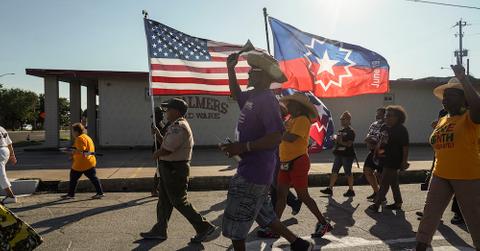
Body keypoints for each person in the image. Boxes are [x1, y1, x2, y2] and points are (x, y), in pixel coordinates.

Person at [221, 49, 313, 251]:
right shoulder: (255, 96)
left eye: (253, 70)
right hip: (255, 168)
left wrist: (242, 147)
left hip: (254, 172)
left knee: (236, 226)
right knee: (266, 215)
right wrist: (230, 70)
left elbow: (276, 136)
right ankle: (298, 243)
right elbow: (236, 93)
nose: (249, 73)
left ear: (264, 75)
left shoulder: (267, 100)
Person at [416, 64, 480, 250]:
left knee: (475, 220)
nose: (445, 100)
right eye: (444, 96)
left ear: (464, 99)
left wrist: (463, 79)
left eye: (450, 95)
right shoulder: (443, 120)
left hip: (468, 175)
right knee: (429, 216)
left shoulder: (470, 117)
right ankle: (420, 247)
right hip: (441, 174)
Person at [141, 98, 215, 243]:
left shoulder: (178, 126)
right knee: (164, 201)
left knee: (179, 201)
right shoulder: (175, 125)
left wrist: (157, 154)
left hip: (174, 169)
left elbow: (168, 149)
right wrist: (158, 134)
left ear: (176, 111)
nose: (166, 112)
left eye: (168, 109)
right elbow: (168, 144)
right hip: (170, 168)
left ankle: (204, 227)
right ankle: (160, 230)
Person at [276, 93, 332, 237]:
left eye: (290, 104)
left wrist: (276, 131)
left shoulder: (302, 120)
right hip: (286, 161)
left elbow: (290, 137)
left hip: (298, 161)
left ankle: (323, 222)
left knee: (303, 196)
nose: (287, 106)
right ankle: (275, 225)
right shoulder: (291, 120)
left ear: (298, 107)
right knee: (281, 194)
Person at [257, 103, 302, 239]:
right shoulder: (278, 124)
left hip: (279, 158)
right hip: (274, 158)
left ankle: (274, 224)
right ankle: (275, 221)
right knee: (275, 188)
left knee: (276, 187)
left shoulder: (281, 125)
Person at [368, 106, 409, 212]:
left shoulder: (401, 129)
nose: (386, 117)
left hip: (394, 159)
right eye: (386, 115)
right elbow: (381, 142)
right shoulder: (384, 127)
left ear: (397, 117)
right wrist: (376, 152)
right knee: (393, 182)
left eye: (389, 115)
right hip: (384, 158)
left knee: (384, 182)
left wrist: (404, 161)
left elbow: (405, 146)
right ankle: (398, 202)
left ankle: (376, 205)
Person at [61, 123, 104, 200]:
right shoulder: (86, 137)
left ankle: (71, 194)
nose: (72, 133)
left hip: (81, 164)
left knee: (73, 177)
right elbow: (78, 148)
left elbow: (81, 150)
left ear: (76, 131)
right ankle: (100, 193)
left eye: (73, 131)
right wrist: (71, 152)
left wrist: (70, 152)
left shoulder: (79, 138)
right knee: (93, 178)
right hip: (90, 162)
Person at [321, 111, 356, 197]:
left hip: (347, 155)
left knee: (348, 172)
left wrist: (340, 141)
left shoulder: (351, 131)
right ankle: (330, 188)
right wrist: (335, 141)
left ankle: (351, 190)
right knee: (334, 171)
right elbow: (338, 142)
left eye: (343, 119)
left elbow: (349, 144)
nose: (341, 121)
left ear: (348, 120)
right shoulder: (340, 130)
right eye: (341, 119)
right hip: (339, 154)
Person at [363, 108, 386, 201]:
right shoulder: (374, 124)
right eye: (376, 114)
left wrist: (374, 141)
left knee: (380, 175)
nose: (377, 116)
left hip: (382, 152)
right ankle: (376, 192)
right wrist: (368, 140)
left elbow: (384, 140)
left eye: (379, 114)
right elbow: (369, 134)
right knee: (367, 170)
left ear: (384, 115)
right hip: (372, 151)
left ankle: (382, 195)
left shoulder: (386, 126)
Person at [150, 106, 170, 197]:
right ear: (156, 115)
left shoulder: (161, 122)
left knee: (162, 169)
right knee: (159, 169)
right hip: (158, 147)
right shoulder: (154, 124)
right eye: (161, 113)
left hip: (163, 146)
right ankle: (154, 190)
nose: (163, 114)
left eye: (163, 113)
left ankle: (158, 188)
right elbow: (158, 135)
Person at [0, 125, 17, 204]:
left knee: (1, 175)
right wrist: (12, 155)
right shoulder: (1, 128)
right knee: (1, 174)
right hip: (5, 150)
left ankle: (11, 196)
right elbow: (9, 143)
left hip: (0, 151)